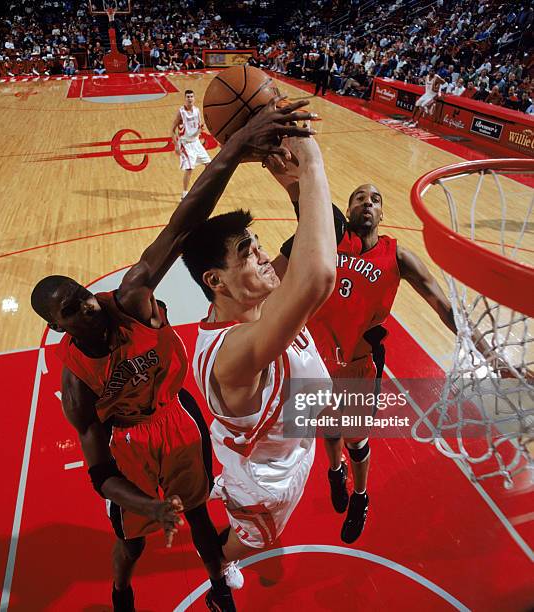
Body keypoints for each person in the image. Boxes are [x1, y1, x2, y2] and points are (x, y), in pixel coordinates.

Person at [30, 97, 314, 612]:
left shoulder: (133, 297)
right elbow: (99, 473)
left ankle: (219, 586)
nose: (92, 304)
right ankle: (122, 590)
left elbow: (183, 222)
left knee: (203, 517)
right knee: (133, 543)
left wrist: (231, 149)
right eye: (76, 308)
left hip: (178, 417)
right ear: (59, 327)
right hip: (131, 445)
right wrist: (148, 506)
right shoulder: (77, 384)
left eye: (85, 292)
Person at [272, 182, 462, 543]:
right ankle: (334, 470)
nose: (367, 203)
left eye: (375, 199)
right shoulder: (329, 241)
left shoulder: (397, 256)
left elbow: (443, 306)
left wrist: (480, 345)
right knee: (327, 430)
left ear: (381, 214)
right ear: (348, 208)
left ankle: (360, 496)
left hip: (358, 366)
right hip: (314, 360)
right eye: (359, 197)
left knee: (356, 439)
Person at [181, 133, 336, 564]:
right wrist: (312, 160)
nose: (266, 258)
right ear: (215, 280)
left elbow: (327, 229)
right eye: (249, 253)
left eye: (259, 245)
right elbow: (318, 275)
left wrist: (293, 183)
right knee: (250, 542)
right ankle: (215, 564)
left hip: (289, 446)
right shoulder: (231, 355)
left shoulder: (255, 300)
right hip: (266, 483)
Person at [172, 90, 211, 201]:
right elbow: (172, 129)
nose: (190, 98)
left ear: (194, 98)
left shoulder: (197, 111)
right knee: (189, 169)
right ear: (185, 98)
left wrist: (200, 129)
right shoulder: (181, 112)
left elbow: (198, 126)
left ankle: (203, 188)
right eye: (188, 97)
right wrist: (176, 145)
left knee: (209, 164)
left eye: (191, 96)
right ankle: (184, 194)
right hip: (186, 144)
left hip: (196, 142)